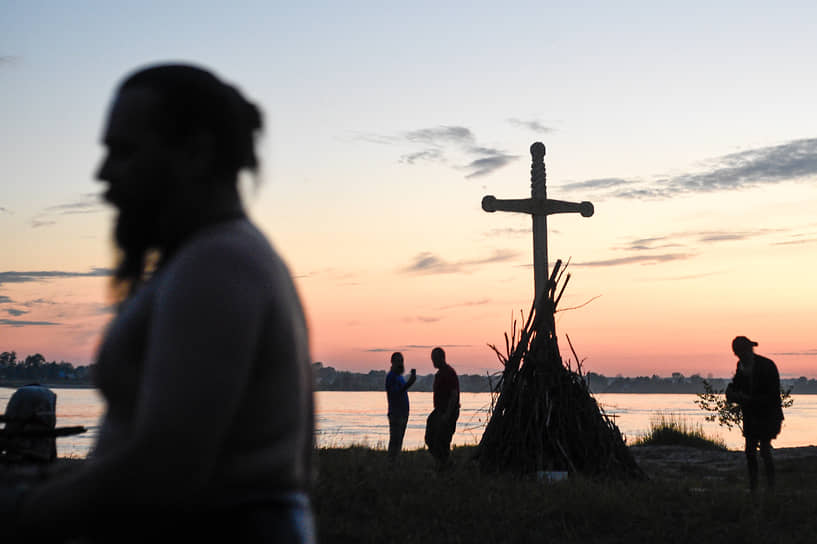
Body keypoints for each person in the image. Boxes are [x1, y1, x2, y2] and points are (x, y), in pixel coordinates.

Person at [7, 64, 316, 542]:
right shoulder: (222, 257)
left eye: (123, 151)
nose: (104, 172)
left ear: (194, 152)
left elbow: (163, 471)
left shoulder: (219, 262)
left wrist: (24, 509)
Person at [726, 336, 784, 492]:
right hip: (751, 416)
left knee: (765, 449)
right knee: (750, 452)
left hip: (769, 415)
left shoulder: (767, 366)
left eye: (743, 352)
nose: (741, 356)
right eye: (738, 353)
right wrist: (731, 391)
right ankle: (754, 488)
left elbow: (772, 396)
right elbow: (737, 384)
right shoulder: (741, 366)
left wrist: (748, 400)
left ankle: (771, 488)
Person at [424, 347, 459, 469]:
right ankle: (442, 463)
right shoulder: (439, 374)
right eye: (432, 359)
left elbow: (454, 395)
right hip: (438, 410)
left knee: (442, 441)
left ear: (441, 358)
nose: (433, 361)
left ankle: (445, 466)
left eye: (434, 359)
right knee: (430, 437)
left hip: (447, 411)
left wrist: (447, 415)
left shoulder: (449, 373)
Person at [384, 352, 416, 460]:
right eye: (397, 361)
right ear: (392, 362)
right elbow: (396, 393)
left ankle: (395, 462)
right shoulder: (391, 377)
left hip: (403, 414)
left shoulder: (399, 377)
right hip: (396, 414)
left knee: (399, 441)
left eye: (401, 361)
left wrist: (409, 383)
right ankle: (391, 463)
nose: (400, 363)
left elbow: (402, 390)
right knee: (395, 441)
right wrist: (409, 383)